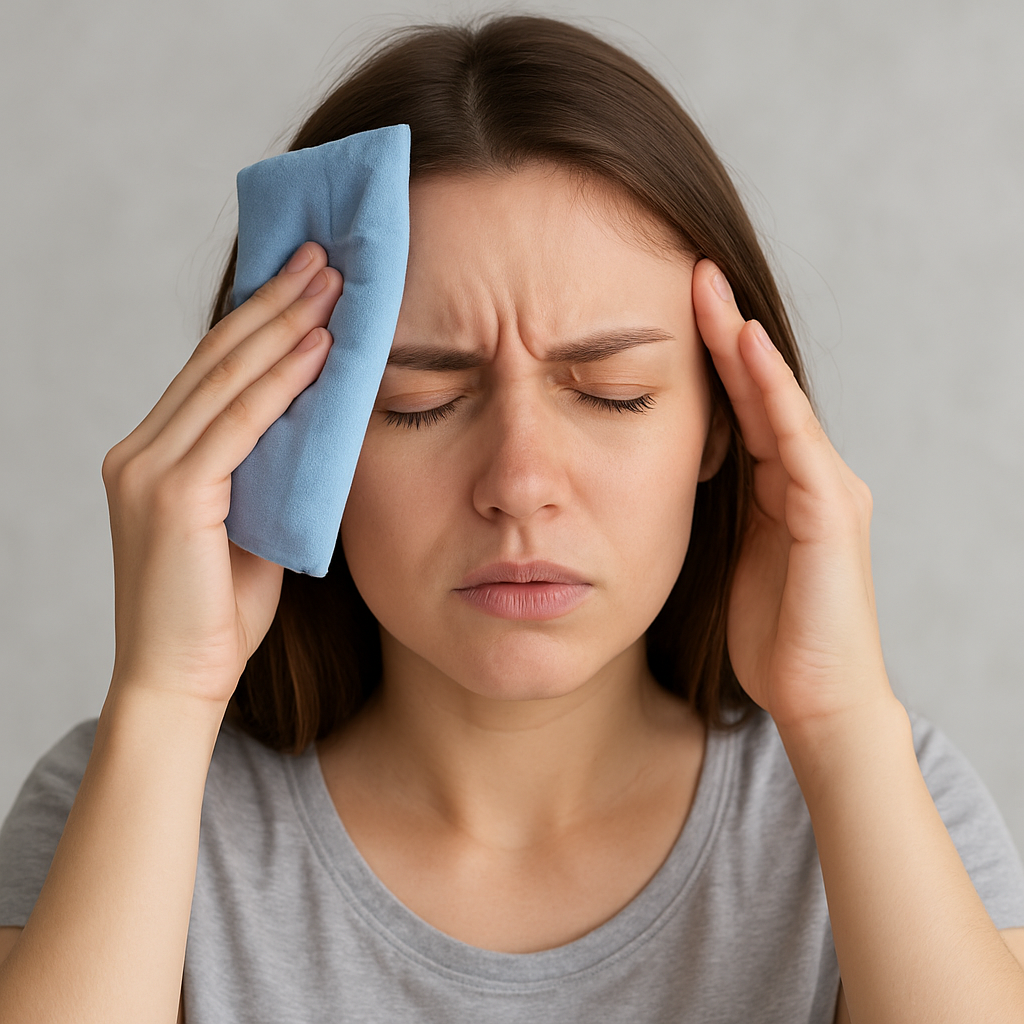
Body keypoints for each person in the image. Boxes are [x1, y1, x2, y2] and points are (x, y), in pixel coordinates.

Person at [1, 13, 1022, 1024]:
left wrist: (840, 720)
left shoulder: (891, 798)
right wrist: (168, 696)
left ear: (728, 427)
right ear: (293, 437)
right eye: (418, 403)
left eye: (613, 391)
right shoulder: (124, 797)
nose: (520, 482)